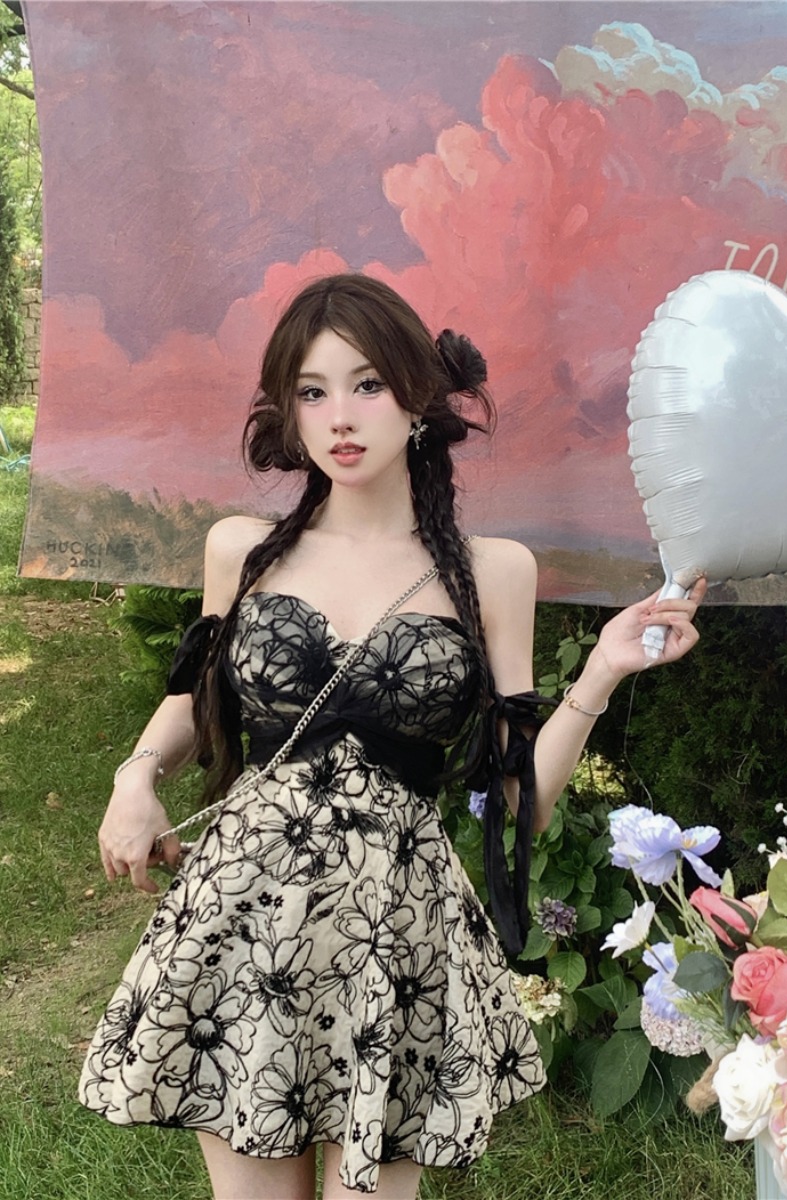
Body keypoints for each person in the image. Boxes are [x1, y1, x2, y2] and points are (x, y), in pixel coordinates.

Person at [78, 274, 705, 1200]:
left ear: (417, 398)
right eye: (312, 390)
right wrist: (135, 781)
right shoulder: (241, 550)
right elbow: (189, 701)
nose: (340, 415)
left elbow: (520, 806)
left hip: (397, 933)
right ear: (288, 411)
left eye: (367, 384)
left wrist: (600, 673)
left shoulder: (492, 572)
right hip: (247, 914)